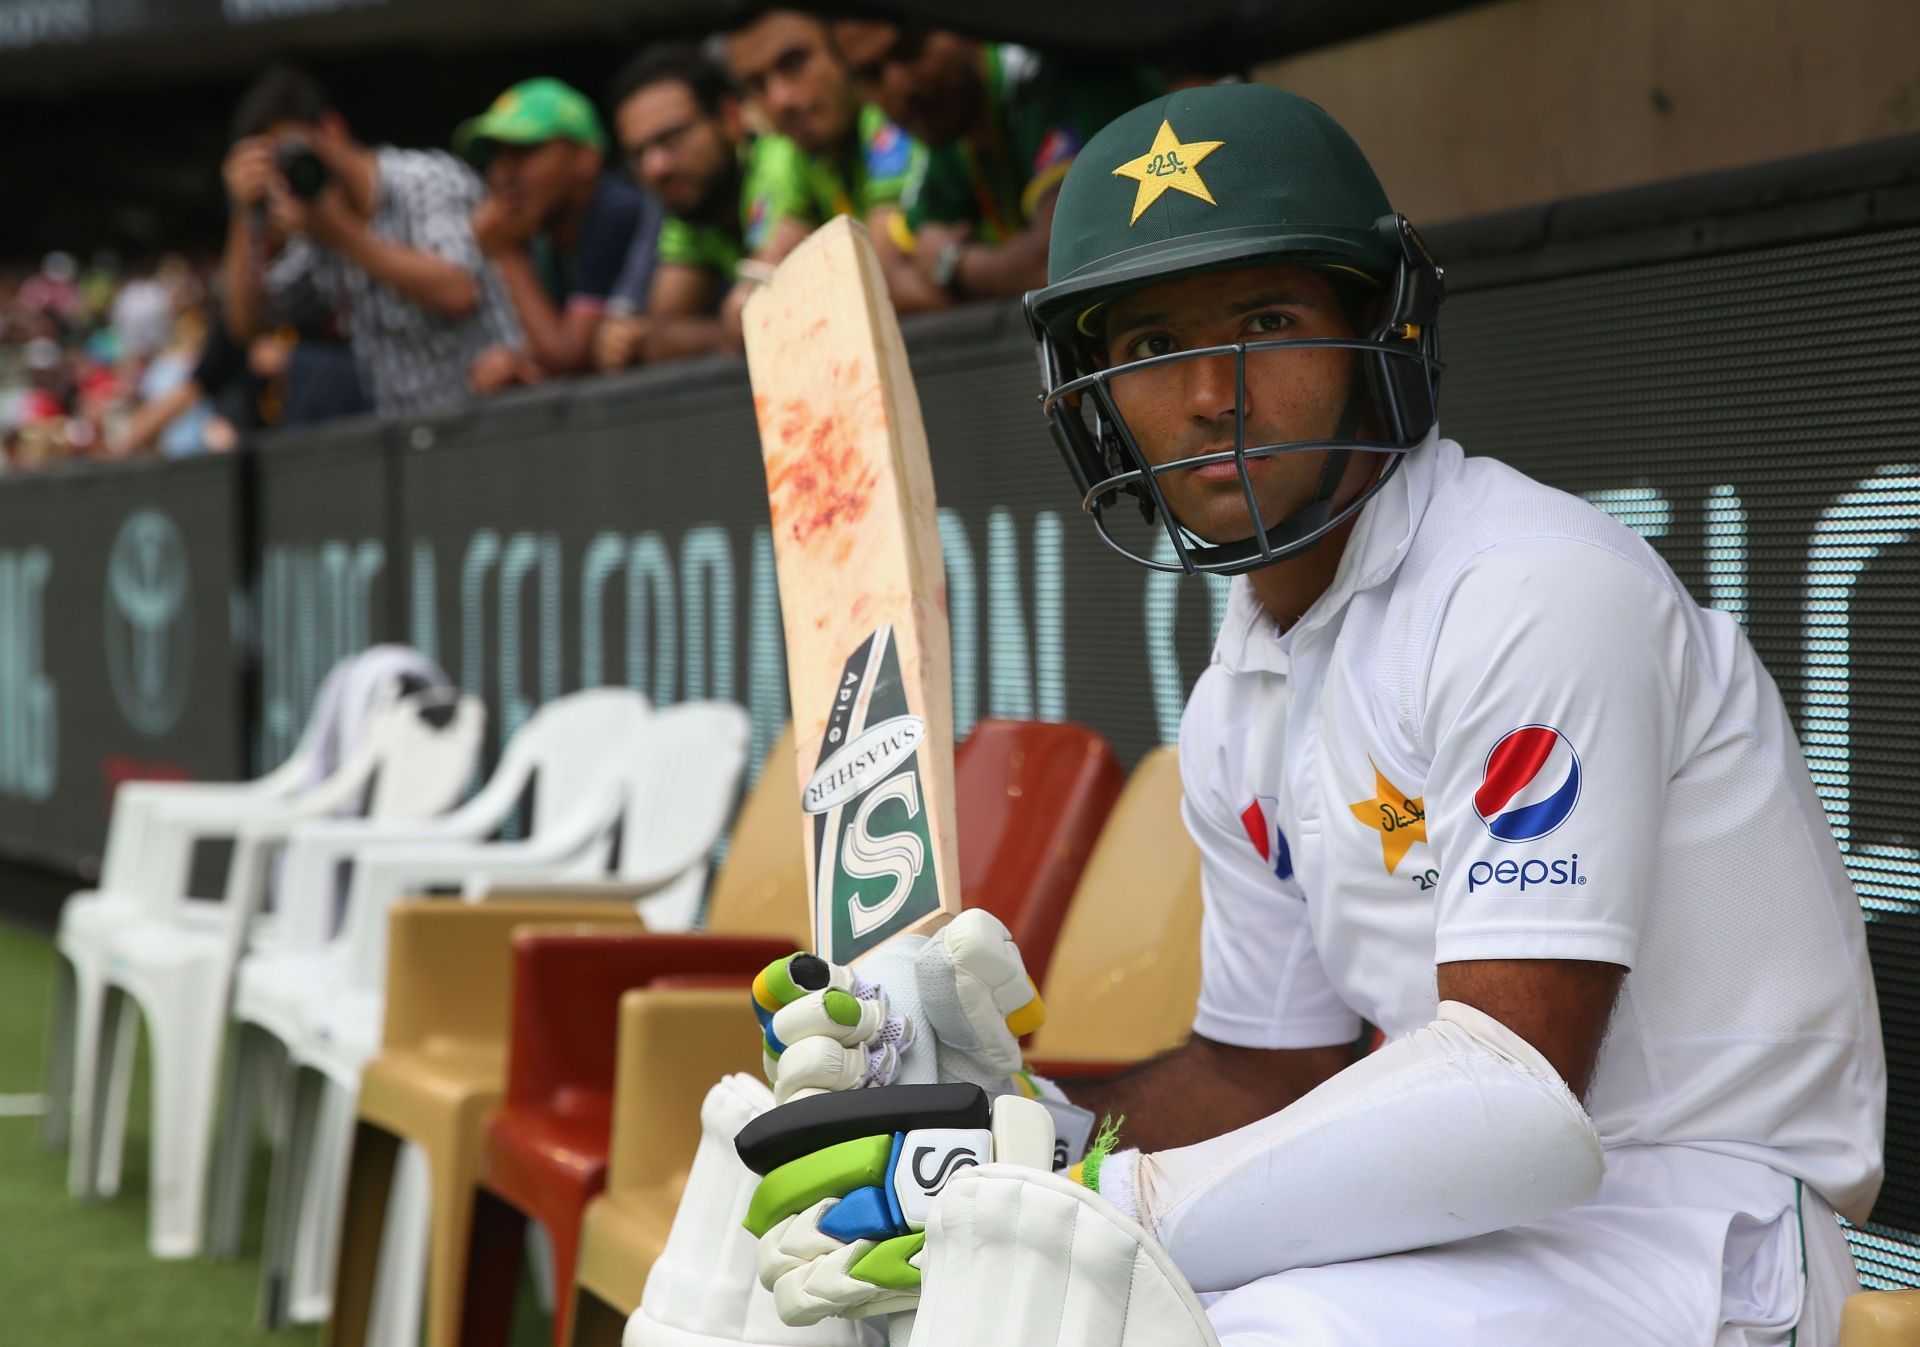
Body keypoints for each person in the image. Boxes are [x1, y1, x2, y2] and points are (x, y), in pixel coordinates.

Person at [730, 84, 1884, 1347]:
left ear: (1378, 331)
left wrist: (1068, 1196)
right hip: (1464, 1223)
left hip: (1703, 1229)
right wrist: (1021, 1124)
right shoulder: (1246, 687)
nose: (1211, 394)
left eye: (1266, 321)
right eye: (1150, 347)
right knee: (798, 1275)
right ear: (1096, 397)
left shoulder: (1529, 589)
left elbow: (1516, 1096)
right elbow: (1262, 1073)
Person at [218, 64, 521, 418]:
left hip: (495, 420)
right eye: (276, 166)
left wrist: (342, 234)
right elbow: (247, 324)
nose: (290, 172)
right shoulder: (316, 228)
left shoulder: (424, 180)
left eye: (293, 153)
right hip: (409, 444)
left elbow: (457, 290)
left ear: (332, 129)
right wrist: (244, 216)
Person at [829, 21, 1158, 303]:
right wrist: (1000, 272)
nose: (901, 87)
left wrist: (954, 265)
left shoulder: (1052, 75)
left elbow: (1061, 261)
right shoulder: (951, 132)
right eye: (871, 74)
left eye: (911, 48)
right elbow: (891, 280)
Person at [593, 45, 812, 371]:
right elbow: (659, 335)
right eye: (638, 155)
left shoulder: (779, 160)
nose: (655, 168)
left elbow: (764, 314)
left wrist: (713, 336)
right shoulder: (690, 207)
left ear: (730, 118)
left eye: (671, 139)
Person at [721, 11, 939, 312]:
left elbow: (879, 279)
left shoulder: (889, 113)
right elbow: (754, 297)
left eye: (794, 63)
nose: (779, 99)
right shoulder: (797, 149)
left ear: (842, 47)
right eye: (757, 84)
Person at [457, 77, 664, 392]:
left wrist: (505, 253)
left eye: (524, 151)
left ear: (584, 157)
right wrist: (516, 364)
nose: (504, 172)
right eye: (497, 155)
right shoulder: (545, 235)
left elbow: (570, 356)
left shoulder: (614, 209)